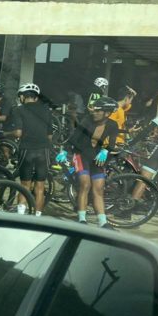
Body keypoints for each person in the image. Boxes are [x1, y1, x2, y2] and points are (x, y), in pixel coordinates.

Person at [60, 96, 119, 227]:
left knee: (98, 189)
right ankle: (82, 219)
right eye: (94, 110)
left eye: (98, 111)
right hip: (80, 154)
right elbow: (74, 137)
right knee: (85, 185)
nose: (94, 112)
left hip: (96, 156)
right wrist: (65, 151)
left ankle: (103, 222)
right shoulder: (87, 120)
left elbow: (112, 144)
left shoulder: (113, 125)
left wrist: (106, 151)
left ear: (107, 113)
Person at [7, 83, 52, 216]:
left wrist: (5, 134)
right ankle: (37, 217)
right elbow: (50, 136)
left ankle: (21, 216)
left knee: (25, 185)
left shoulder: (19, 110)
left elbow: (18, 133)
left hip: (27, 149)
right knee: (40, 187)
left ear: (22, 97)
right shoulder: (47, 111)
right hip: (44, 150)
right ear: (36, 97)